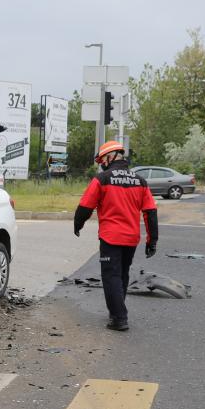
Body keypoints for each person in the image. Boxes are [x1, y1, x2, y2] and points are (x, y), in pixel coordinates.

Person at [73, 140, 159, 331]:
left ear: (110, 157)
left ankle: (119, 317)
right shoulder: (140, 181)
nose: (101, 163)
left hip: (110, 237)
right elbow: (150, 212)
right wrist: (152, 241)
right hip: (131, 238)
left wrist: (78, 224)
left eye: (102, 160)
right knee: (122, 274)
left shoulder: (102, 179)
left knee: (111, 276)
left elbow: (86, 205)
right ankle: (117, 312)